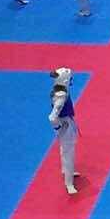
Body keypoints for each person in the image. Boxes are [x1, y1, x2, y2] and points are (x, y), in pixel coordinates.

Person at [49, 67, 81, 195]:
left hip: (66, 121)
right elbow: (52, 117)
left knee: (64, 149)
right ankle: (69, 184)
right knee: (69, 154)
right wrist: (59, 126)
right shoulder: (61, 96)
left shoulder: (59, 90)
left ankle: (66, 170)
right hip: (65, 125)